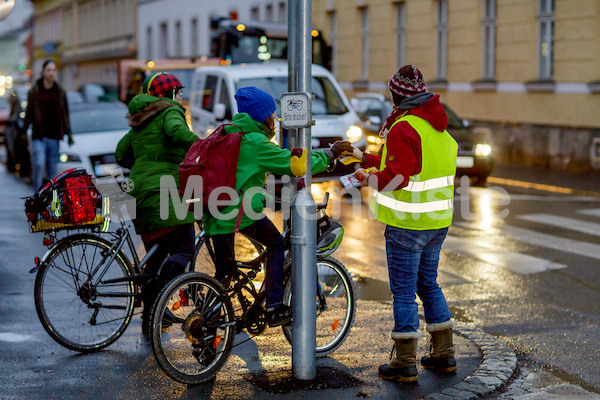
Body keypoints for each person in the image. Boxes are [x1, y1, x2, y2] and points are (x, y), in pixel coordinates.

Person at [205, 86, 352, 328]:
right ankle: (274, 306)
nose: (275, 120)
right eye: (272, 115)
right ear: (262, 117)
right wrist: (330, 154)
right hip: (238, 213)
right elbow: (295, 164)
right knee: (276, 244)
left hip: (214, 211)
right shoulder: (255, 141)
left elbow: (242, 176)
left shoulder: (228, 133)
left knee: (224, 274)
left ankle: (206, 326)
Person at [348, 65, 458, 382]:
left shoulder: (403, 127)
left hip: (408, 224)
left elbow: (397, 177)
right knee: (428, 284)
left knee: (405, 292)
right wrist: (362, 157)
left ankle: (405, 361)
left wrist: (365, 179)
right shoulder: (435, 126)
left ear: (398, 95)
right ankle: (443, 353)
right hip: (437, 223)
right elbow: (401, 162)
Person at [115, 72, 198, 335]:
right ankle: (160, 301)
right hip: (162, 191)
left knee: (155, 259)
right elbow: (177, 133)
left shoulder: (140, 120)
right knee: (185, 247)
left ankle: (151, 320)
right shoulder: (169, 112)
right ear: (170, 95)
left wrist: (144, 166)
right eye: (179, 93)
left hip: (137, 193)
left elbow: (120, 154)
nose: (181, 98)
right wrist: (205, 147)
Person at [24, 60, 74, 190]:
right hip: (39, 136)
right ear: (43, 72)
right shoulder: (35, 91)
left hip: (54, 136)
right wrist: (24, 131)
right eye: (48, 70)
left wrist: (69, 134)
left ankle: (51, 200)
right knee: (39, 165)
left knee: (52, 171)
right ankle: (37, 197)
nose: (51, 73)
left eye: (53, 70)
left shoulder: (60, 91)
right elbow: (29, 112)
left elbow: (65, 114)